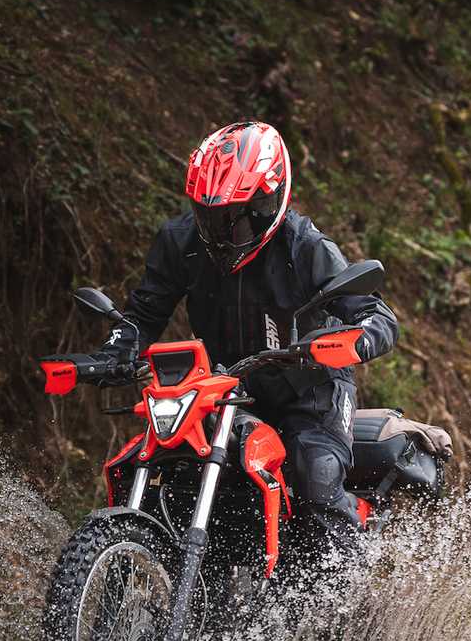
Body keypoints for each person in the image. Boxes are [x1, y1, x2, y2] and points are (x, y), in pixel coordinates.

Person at [94, 120, 398, 573]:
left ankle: (354, 602)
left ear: (267, 203)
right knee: (179, 477)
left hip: (310, 391)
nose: (222, 232)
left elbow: (376, 313)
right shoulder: (182, 243)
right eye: (212, 217)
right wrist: (114, 351)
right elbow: (143, 314)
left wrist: (361, 334)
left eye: (236, 218)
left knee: (316, 479)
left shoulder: (304, 246)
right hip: (225, 388)